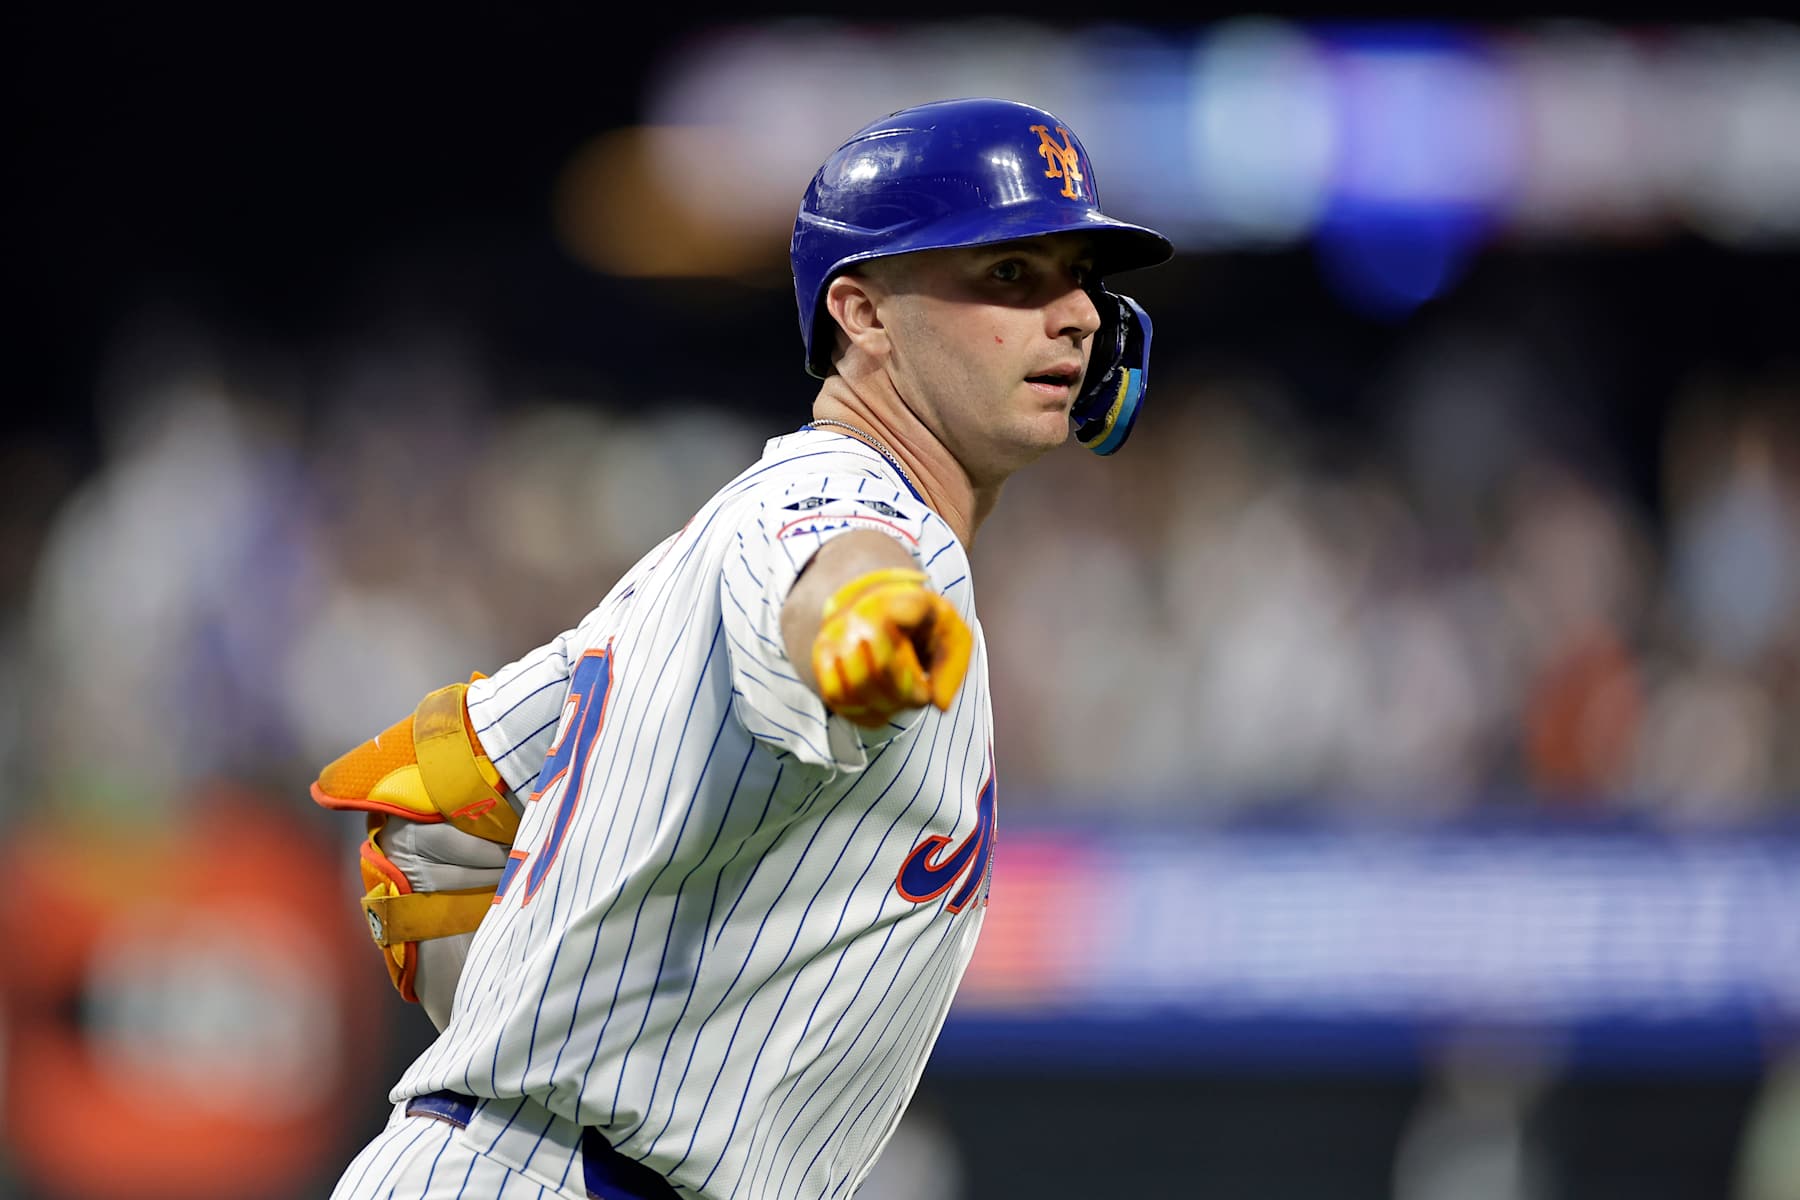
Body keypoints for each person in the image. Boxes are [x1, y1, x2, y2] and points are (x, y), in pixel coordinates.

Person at [313, 95, 1172, 1200]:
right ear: (861, 312)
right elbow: (843, 560)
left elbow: (420, 789)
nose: (1078, 319)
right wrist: (859, 621)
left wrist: (538, 1028)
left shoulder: (707, 552)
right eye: (1012, 277)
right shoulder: (848, 498)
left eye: (1081, 280)